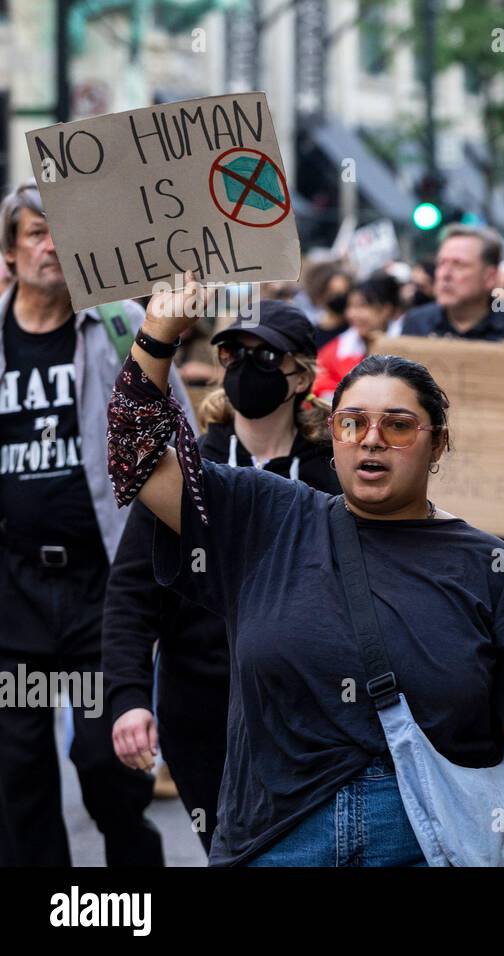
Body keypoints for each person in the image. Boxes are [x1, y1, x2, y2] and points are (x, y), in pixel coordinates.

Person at [105, 273, 504, 866]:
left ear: (438, 444)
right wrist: (159, 332)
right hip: (277, 840)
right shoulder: (266, 517)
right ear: (335, 436)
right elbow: (134, 456)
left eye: (398, 426)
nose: (372, 440)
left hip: (426, 841)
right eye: (353, 423)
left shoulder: (494, 570)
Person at [0, 179, 192, 866]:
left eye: (62, 233)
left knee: (105, 761)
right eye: (34, 232)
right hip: (15, 595)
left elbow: (177, 435)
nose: (50, 246)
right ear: (11, 252)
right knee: (16, 772)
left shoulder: (117, 325)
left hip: (101, 592)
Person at [103, 301, 339, 855]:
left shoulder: (336, 474)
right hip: (202, 708)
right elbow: (132, 592)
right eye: (233, 352)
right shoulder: (183, 472)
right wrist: (128, 696)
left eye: (267, 355)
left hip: (309, 708)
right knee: (229, 850)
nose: (246, 365)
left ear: (301, 374)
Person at [402, 225, 504, 548]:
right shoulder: (415, 325)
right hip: (424, 505)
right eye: (442, 264)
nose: (444, 274)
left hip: (499, 510)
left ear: (491, 277)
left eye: (459, 265)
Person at [313, 273, 403, 402]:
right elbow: (318, 384)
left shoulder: (406, 345)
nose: (352, 314)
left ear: (385, 310)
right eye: (350, 306)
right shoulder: (336, 350)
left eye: (362, 306)